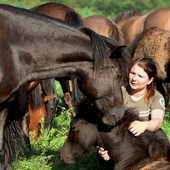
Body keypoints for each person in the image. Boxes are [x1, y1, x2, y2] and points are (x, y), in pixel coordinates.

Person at [98, 56, 165, 163]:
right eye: (132, 73)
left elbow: (157, 121)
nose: (134, 79)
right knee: (104, 156)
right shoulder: (118, 93)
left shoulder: (156, 97)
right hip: (122, 139)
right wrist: (105, 146)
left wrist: (145, 125)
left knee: (160, 135)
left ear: (150, 80)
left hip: (145, 139)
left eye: (140, 76)